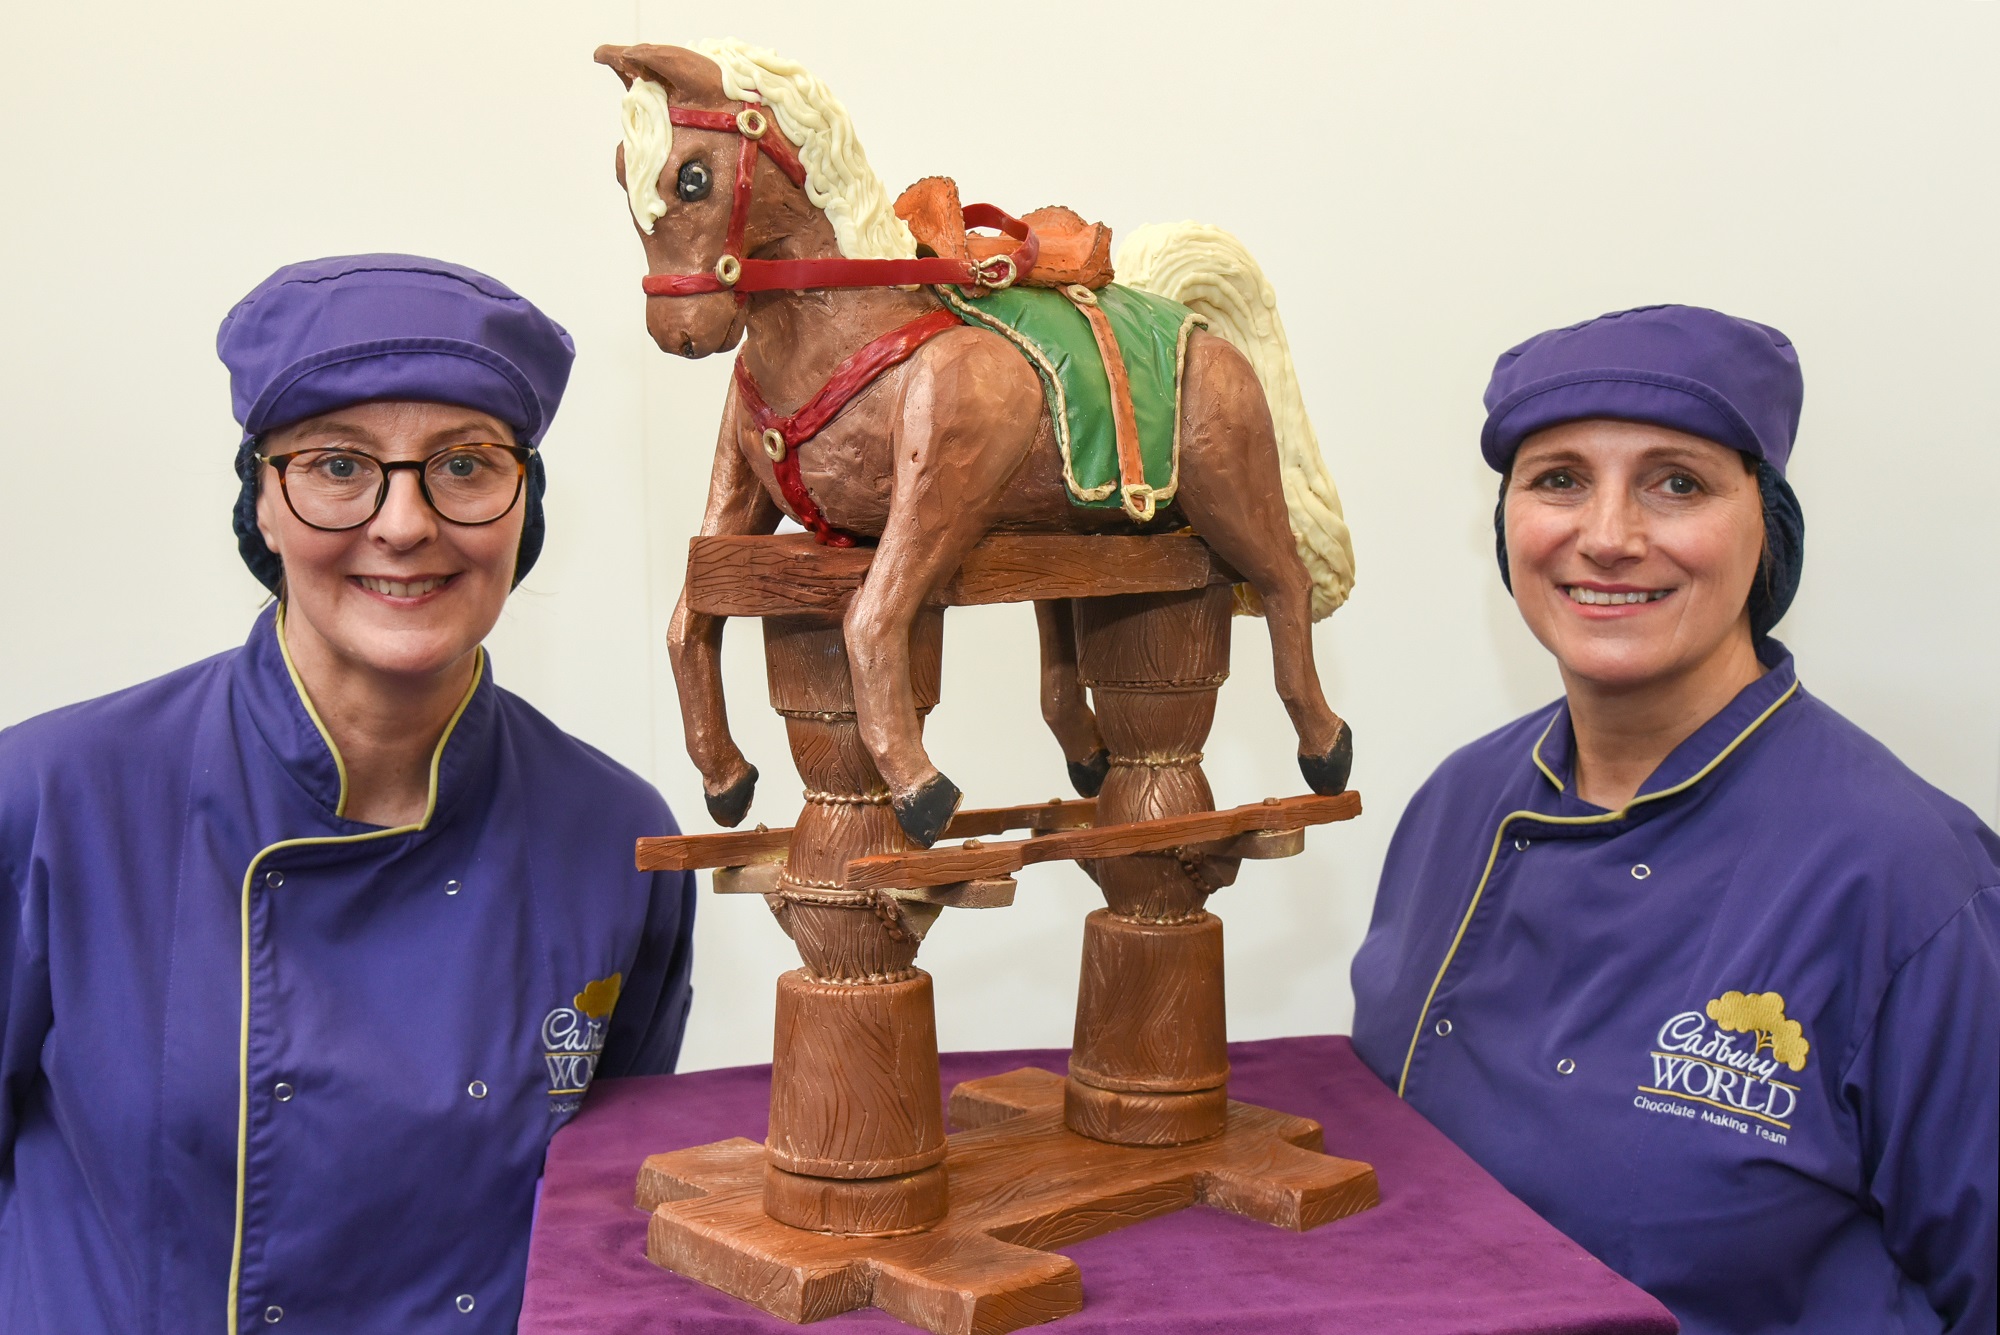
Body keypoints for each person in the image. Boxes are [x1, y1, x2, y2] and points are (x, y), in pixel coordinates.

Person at [0, 255, 697, 1333]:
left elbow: (596, 1218)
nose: (406, 524)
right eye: (338, 465)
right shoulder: (52, 799)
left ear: (524, 511)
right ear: (263, 506)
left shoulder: (619, 837)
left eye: (464, 466)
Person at [1349, 305, 1997, 1334]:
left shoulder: (1910, 878)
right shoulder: (1457, 801)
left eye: (1676, 483)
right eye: (1558, 478)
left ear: (1764, 528)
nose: (1606, 537)